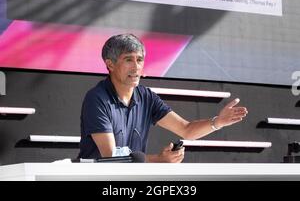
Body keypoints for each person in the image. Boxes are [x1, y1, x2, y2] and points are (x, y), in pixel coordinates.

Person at [79, 34, 248, 163]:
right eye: (128, 60)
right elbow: (111, 157)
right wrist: (158, 159)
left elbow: (186, 129)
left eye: (140, 60)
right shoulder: (97, 98)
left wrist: (218, 122)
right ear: (110, 64)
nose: (136, 66)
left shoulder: (146, 97)